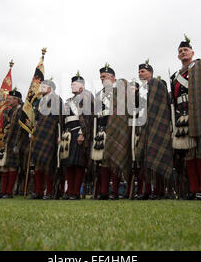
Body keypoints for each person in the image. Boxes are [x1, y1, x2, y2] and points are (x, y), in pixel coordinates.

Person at [170, 36, 201, 200]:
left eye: (185, 50)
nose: (183, 52)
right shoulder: (176, 76)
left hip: (198, 113)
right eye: (180, 51)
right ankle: (193, 188)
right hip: (182, 116)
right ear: (178, 56)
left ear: (192, 52)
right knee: (188, 153)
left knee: (200, 152)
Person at [91, 64, 132, 200]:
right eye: (101, 77)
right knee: (103, 162)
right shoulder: (99, 95)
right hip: (102, 128)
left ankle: (114, 192)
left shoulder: (120, 90)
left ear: (112, 77)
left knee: (115, 161)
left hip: (116, 129)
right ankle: (104, 192)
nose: (102, 79)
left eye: (105, 76)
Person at [135, 60, 172, 200]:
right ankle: (147, 190)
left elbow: (164, 105)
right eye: (139, 72)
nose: (140, 73)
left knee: (158, 157)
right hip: (145, 126)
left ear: (150, 73)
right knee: (145, 158)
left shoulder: (158, 84)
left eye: (143, 71)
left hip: (158, 125)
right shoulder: (141, 89)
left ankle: (159, 191)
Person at [61, 73, 94, 200]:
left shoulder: (87, 96)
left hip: (78, 132)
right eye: (71, 84)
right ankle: (69, 191)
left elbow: (87, 116)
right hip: (68, 133)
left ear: (82, 86)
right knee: (69, 163)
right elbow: (63, 119)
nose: (71, 86)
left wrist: (82, 132)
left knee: (78, 164)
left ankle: (75, 193)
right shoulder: (68, 101)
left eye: (74, 84)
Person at [31, 79, 63, 199]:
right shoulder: (40, 101)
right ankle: (38, 191)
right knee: (38, 163)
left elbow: (59, 118)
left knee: (49, 163)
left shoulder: (56, 99)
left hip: (51, 132)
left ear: (50, 88)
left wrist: (59, 135)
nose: (41, 88)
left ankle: (49, 192)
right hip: (40, 133)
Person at [0, 89, 23, 199]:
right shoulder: (9, 111)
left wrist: (18, 143)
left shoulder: (21, 110)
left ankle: (9, 192)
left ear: (17, 100)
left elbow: (20, 128)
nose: (9, 100)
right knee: (5, 166)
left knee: (12, 166)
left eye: (12, 98)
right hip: (7, 140)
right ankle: (3, 191)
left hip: (15, 140)